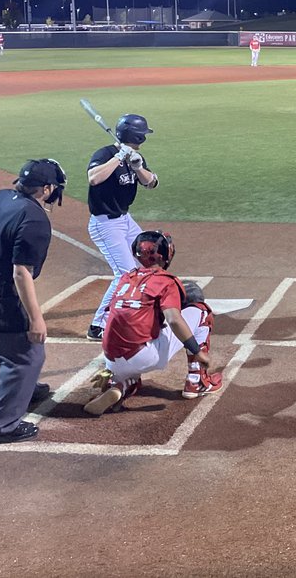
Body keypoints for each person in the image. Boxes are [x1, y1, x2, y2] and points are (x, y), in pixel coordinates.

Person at [0, 158, 66, 445]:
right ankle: (2, 428)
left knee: (9, 347)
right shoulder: (35, 219)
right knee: (26, 357)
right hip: (0, 293)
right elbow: (20, 272)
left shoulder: (1, 197)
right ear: (46, 189)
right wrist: (36, 318)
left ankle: (25, 390)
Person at [83, 230, 224, 415]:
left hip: (111, 358)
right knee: (201, 311)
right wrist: (197, 352)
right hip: (144, 355)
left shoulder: (125, 278)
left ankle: (119, 386)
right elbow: (173, 319)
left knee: (133, 366)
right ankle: (197, 382)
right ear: (166, 255)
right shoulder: (166, 282)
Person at [85, 114, 160, 341]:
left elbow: (151, 183)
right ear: (136, 136)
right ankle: (98, 325)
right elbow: (93, 178)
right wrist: (118, 157)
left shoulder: (136, 156)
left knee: (148, 258)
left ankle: (141, 307)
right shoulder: (105, 154)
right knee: (125, 274)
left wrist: (138, 167)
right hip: (105, 224)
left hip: (125, 220)